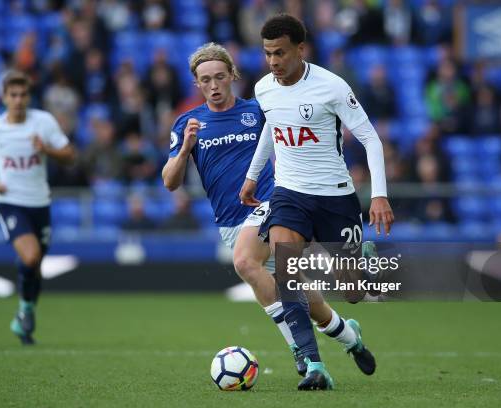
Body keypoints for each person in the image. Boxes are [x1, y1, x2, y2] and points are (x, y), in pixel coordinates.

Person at [240, 14, 395, 390]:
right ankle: (313, 365)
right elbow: (271, 129)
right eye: (267, 54)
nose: (273, 61)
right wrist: (251, 174)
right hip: (290, 193)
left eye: (280, 53)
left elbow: (371, 139)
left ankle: (363, 263)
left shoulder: (332, 87)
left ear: (300, 49)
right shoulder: (264, 88)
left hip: (335, 198)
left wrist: (378, 194)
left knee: (354, 294)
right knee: (287, 273)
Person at [162, 42, 313, 376]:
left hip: (270, 203)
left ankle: (301, 349)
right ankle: (345, 333)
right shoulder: (188, 123)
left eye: (219, 77)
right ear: (196, 84)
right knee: (297, 290)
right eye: (205, 80)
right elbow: (169, 182)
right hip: (230, 222)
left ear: (232, 75)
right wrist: (186, 149)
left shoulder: (256, 111)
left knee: (245, 262)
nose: (213, 86)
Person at [0, 71, 76, 345]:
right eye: (12, 95)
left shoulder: (43, 122)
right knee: (30, 257)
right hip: (9, 202)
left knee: (34, 264)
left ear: (29, 96)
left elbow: (70, 156)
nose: (18, 100)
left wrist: (47, 149)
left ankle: (25, 314)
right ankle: (25, 310)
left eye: (23, 95)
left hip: (40, 203)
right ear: (4, 98)